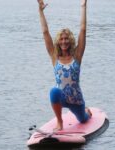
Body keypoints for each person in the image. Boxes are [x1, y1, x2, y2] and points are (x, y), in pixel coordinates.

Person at [37, 0, 92, 131]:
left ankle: (86, 112)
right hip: (60, 98)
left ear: (70, 40)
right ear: (58, 41)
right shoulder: (54, 56)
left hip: (76, 100)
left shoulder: (77, 56)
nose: (64, 41)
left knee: (84, 119)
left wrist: (83, 6)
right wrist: (40, 11)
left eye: (66, 38)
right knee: (54, 91)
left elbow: (83, 30)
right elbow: (45, 32)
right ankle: (59, 122)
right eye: (61, 39)